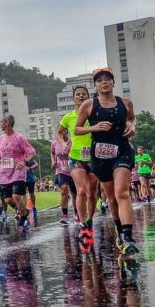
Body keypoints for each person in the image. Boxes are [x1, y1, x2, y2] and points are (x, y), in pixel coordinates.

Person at [74, 68, 139, 257]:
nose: (104, 82)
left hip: (122, 150)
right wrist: (94, 127)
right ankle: (120, 229)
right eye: (99, 80)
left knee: (122, 192)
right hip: (100, 154)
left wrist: (133, 125)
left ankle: (128, 237)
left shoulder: (125, 103)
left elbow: (132, 118)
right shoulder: (88, 105)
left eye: (107, 79)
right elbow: (77, 129)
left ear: (113, 82)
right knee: (111, 197)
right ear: (95, 85)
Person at [61, 85, 99, 243]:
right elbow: (59, 132)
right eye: (78, 94)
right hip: (76, 157)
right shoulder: (68, 117)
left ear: (89, 97)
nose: (81, 96)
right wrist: (63, 143)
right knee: (81, 190)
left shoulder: (95, 114)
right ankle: (83, 224)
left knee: (92, 193)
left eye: (84, 94)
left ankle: (89, 220)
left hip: (94, 156)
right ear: (73, 98)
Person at [0, 115, 35, 230]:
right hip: (5, 173)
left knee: (16, 195)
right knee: (8, 199)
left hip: (18, 172)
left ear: (7, 123)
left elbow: (32, 152)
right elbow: (3, 155)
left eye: (1, 122)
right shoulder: (1, 138)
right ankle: (24, 211)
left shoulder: (19, 138)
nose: (0, 124)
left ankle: (23, 219)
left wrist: (24, 161)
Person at [51, 126, 75, 225]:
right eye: (59, 132)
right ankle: (64, 216)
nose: (61, 133)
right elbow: (52, 153)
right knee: (64, 189)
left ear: (67, 131)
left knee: (75, 193)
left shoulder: (72, 142)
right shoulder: (54, 143)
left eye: (63, 131)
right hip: (61, 170)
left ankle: (77, 214)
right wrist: (53, 161)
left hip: (74, 170)